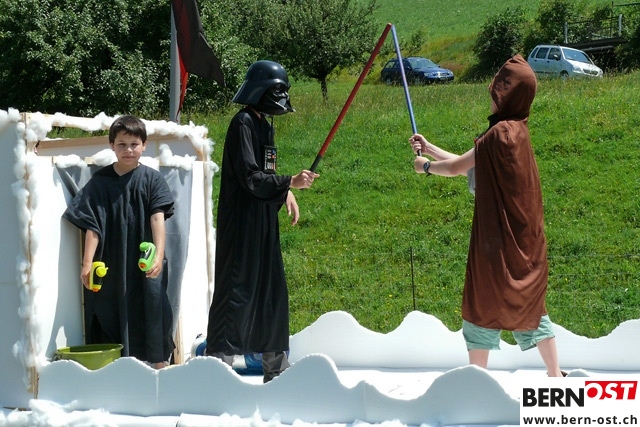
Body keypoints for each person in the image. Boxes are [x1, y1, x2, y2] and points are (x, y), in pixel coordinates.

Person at [409, 55, 564, 377]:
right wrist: (430, 148)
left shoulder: (499, 134)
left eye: (496, 92)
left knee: (481, 301)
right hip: (524, 242)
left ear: (506, 96)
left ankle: (477, 378)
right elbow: (472, 163)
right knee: (528, 302)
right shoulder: (516, 131)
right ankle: (554, 372)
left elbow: (456, 168)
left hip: (497, 241)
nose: (491, 97)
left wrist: (425, 167)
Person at [205, 60, 319, 383]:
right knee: (235, 294)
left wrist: (285, 192)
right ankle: (216, 372)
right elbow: (249, 177)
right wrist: (289, 182)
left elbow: (266, 173)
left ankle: (276, 371)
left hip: (264, 223)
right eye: (278, 91)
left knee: (272, 294)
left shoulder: (265, 125)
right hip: (241, 226)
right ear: (262, 91)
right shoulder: (242, 123)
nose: (282, 99)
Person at [63, 115, 175, 369]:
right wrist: (87, 263)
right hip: (111, 263)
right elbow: (93, 226)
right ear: (112, 145)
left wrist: (159, 256)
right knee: (109, 311)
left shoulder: (152, 179)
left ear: (144, 145)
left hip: (145, 261)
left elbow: (157, 219)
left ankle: (159, 368)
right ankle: (114, 369)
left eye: (134, 144)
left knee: (153, 308)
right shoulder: (99, 182)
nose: (128, 150)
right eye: (122, 144)